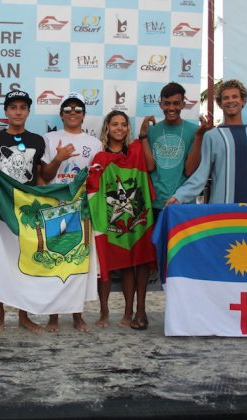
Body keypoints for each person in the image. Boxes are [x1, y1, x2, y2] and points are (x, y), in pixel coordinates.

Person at [0, 90, 46, 333]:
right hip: (0, 210)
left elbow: (40, 178)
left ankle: (24, 315)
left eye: (22, 107)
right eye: (13, 107)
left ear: (28, 111)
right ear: (6, 111)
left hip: (26, 212)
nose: (18, 112)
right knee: (0, 263)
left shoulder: (38, 141)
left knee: (25, 265)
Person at [41, 92, 102, 332]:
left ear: (84, 115)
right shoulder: (50, 138)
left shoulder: (94, 144)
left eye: (78, 109)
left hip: (81, 211)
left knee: (78, 264)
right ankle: (53, 316)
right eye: (68, 109)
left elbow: (96, 180)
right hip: (55, 208)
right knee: (55, 261)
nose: (73, 113)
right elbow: (45, 175)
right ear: (61, 114)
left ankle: (77, 315)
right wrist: (59, 158)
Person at [89, 110, 156, 330]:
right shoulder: (100, 158)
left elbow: (151, 167)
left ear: (128, 128)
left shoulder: (136, 149)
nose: (119, 128)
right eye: (115, 124)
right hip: (111, 220)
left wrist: (144, 135)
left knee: (136, 262)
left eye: (123, 124)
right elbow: (92, 189)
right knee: (112, 265)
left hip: (137, 218)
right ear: (107, 127)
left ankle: (134, 311)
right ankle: (108, 311)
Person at [139, 82, 210, 219]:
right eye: (167, 103)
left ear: (183, 104)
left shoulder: (194, 131)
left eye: (176, 103)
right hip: (156, 203)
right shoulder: (152, 131)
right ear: (161, 105)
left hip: (183, 203)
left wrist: (199, 136)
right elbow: (150, 167)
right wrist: (143, 135)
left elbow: (189, 170)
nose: (171, 108)